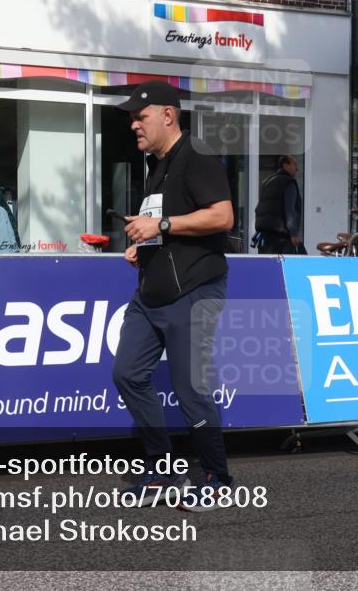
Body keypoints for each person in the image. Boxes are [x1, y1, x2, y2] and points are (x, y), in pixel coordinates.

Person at [111, 80, 236, 512]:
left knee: (189, 389)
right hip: (153, 293)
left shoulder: (196, 155)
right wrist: (141, 244)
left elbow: (222, 216)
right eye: (131, 118)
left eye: (139, 116)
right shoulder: (155, 165)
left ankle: (217, 478)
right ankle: (162, 470)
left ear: (168, 115)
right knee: (127, 373)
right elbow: (166, 226)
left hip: (194, 290)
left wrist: (160, 226)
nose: (133, 125)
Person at [253, 155, 305, 254]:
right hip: (281, 237)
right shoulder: (288, 183)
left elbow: (258, 208)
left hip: (265, 237)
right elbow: (290, 211)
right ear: (285, 165)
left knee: (268, 267)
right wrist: (293, 234)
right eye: (295, 164)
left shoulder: (267, 182)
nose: (297, 168)